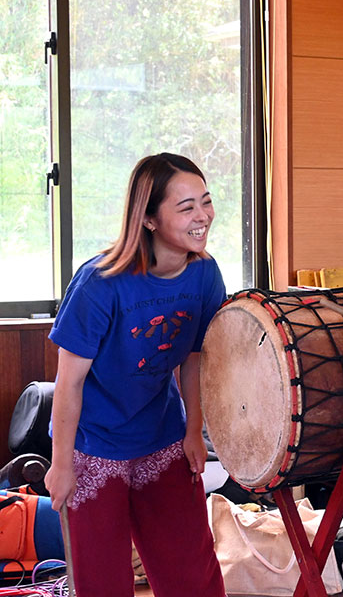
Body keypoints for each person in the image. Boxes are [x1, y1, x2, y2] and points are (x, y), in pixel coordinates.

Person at [45, 153, 227, 596]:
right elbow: (67, 383)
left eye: (205, 201)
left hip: (162, 437)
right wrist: (61, 465)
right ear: (148, 218)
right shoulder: (100, 282)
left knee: (192, 577)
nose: (202, 216)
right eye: (186, 208)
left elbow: (195, 359)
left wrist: (193, 432)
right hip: (91, 447)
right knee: (103, 583)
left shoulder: (204, 275)